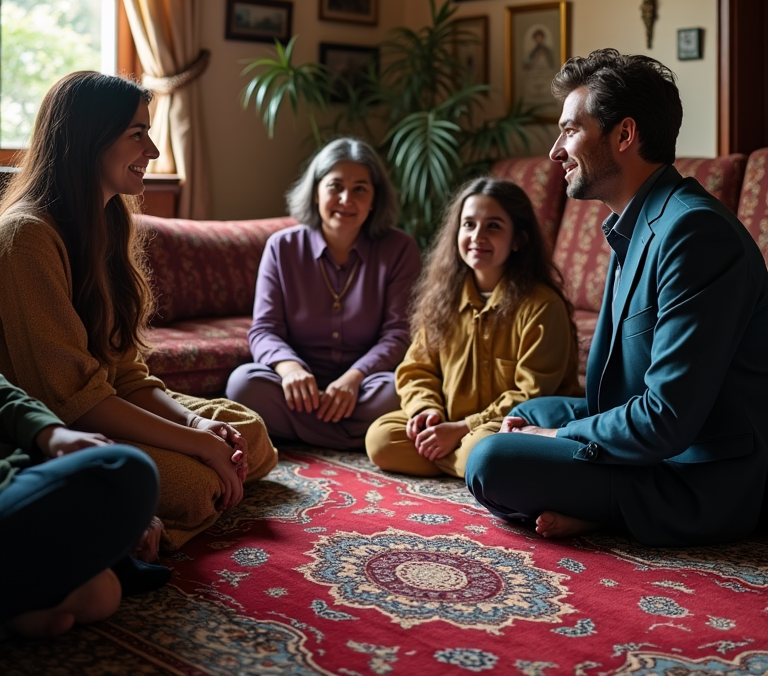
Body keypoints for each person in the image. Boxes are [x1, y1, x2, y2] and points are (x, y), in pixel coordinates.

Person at [465, 49, 768, 546]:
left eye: (570, 130)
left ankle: (610, 510)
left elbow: (668, 419)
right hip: (657, 445)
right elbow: (616, 397)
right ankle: (597, 506)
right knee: (531, 414)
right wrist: (552, 429)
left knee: (492, 459)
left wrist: (558, 440)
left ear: (624, 135)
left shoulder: (694, 233)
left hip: (699, 473)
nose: (555, 151)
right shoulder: (638, 222)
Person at [0, 72, 278, 553]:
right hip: (56, 431)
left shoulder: (107, 221)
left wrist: (198, 429)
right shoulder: (25, 238)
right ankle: (126, 528)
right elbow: (73, 402)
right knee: (192, 484)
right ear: (88, 139)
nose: (151, 152)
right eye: (138, 135)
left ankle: (138, 513)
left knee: (247, 432)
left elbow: (126, 372)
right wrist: (199, 448)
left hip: (106, 406)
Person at [365, 178, 581, 479]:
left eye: (493, 226)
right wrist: (426, 412)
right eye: (468, 225)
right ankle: (471, 466)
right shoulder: (444, 298)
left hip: (509, 425)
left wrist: (463, 429)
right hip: (450, 421)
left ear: (518, 239)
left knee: (482, 449)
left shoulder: (541, 306)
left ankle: (473, 461)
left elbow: (531, 397)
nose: (477, 236)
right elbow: (416, 368)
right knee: (381, 438)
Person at [226, 138, 420, 449]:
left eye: (360, 189)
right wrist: (290, 370)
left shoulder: (399, 249)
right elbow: (264, 329)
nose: (346, 199)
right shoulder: (282, 247)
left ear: (374, 200)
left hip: (365, 384)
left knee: (399, 390)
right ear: (316, 192)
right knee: (243, 384)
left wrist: (354, 377)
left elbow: (398, 334)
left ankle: (297, 434)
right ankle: (354, 437)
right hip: (298, 389)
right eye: (335, 186)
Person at [0, 373, 164, 638]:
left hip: (20, 474)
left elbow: (6, 397)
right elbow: (80, 402)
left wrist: (53, 435)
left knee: (101, 595)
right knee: (128, 468)